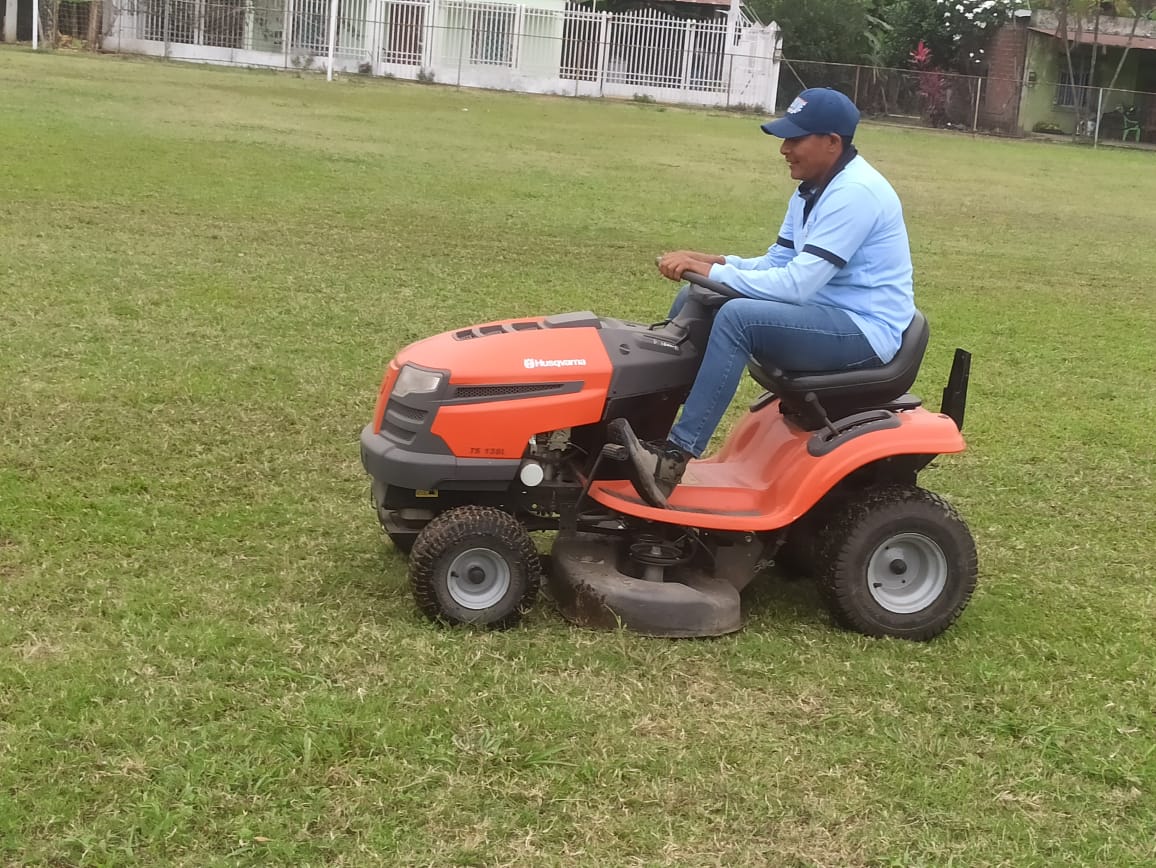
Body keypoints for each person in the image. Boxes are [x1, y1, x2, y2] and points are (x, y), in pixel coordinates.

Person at [619, 87, 916, 508]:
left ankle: (672, 460)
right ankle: (646, 431)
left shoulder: (856, 194)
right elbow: (778, 260)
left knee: (739, 318)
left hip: (863, 330)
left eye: (795, 139)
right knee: (697, 296)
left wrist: (714, 272)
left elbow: (797, 284)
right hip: (824, 312)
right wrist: (712, 264)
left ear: (832, 142)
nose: (784, 149)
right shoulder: (813, 188)